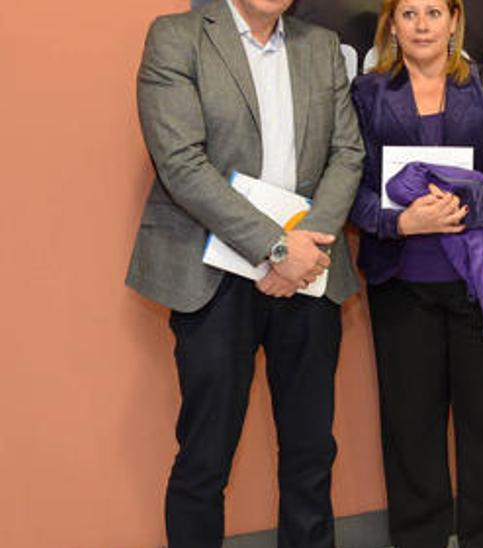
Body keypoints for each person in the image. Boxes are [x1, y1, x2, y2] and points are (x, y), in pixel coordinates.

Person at [128, 0, 363, 545]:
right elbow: (181, 162)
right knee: (205, 454)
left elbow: (347, 153)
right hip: (211, 277)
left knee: (310, 451)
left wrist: (304, 250)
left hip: (310, 273)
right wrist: (276, 247)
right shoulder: (176, 37)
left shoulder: (320, 46)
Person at [347, 0, 483, 545]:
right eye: (409, 13)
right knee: (411, 429)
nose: (423, 25)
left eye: (434, 12)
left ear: (455, 19)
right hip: (403, 286)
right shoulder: (367, 94)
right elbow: (348, 189)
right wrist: (399, 222)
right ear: (392, 24)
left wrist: (467, 208)